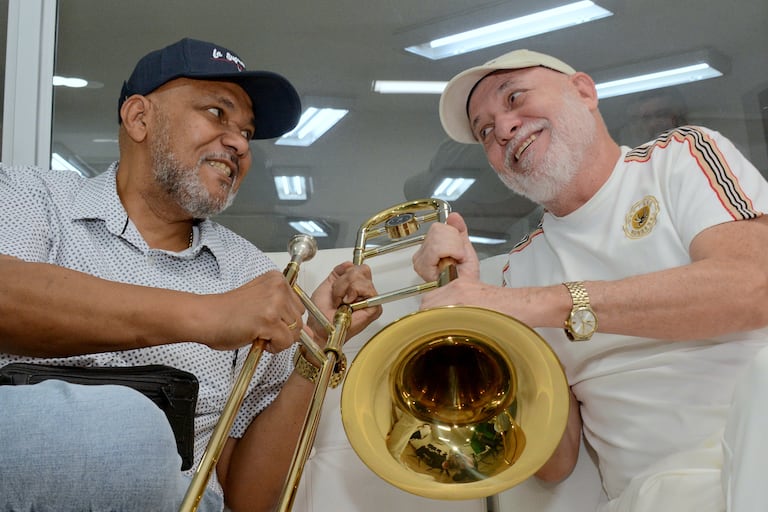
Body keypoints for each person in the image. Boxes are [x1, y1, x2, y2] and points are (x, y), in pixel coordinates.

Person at [0, 38, 381, 512]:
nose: (240, 142)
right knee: (126, 428)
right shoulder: (32, 195)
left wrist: (317, 347)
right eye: (218, 114)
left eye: (247, 130)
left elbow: (247, 499)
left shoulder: (250, 274)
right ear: (140, 118)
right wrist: (207, 315)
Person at [412, 49, 768, 511]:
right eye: (484, 131)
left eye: (515, 97)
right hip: (652, 496)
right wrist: (480, 325)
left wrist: (541, 303)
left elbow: (753, 287)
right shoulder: (515, 272)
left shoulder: (681, 157)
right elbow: (554, 462)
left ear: (583, 91)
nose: (502, 129)